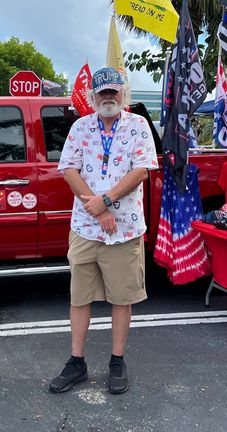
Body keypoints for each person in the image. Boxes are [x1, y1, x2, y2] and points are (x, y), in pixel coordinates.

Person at [50, 66, 158, 395]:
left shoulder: (138, 126)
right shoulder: (81, 127)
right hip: (86, 227)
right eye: (102, 92)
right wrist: (97, 211)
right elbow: (69, 169)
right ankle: (76, 362)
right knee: (79, 297)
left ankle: (117, 361)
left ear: (122, 94)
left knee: (121, 298)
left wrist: (106, 201)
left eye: (114, 91)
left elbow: (142, 171)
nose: (108, 97)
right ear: (92, 96)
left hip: (124, 230)